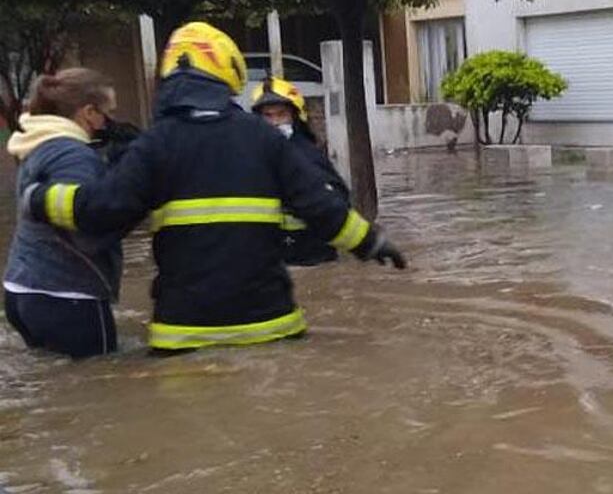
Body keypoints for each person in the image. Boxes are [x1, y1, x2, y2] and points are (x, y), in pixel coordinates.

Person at [24, 22, 406, 353]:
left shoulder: (153, 145)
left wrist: (39, 198)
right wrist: (372, 243)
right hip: (270, 328)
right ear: (227, 75)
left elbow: (100, 210)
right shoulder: (264, 139)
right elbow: (322, 208)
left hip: (183, 337)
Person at [4, 68, 123, 358]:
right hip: (69, 296)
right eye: (108, 112)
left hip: (22, 289)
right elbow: (85, 212)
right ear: (88, 112)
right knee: (102, 388)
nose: (110, 122)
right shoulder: (74, 154)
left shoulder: (39, 145)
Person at [251, 76, 350, 265]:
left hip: (312, 256)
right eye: (268, 116)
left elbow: (339, 202)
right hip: (273, 260)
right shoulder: (249, 156)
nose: (274, 123)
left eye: (281, 114)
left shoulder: (309, 156)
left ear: (295, 118)